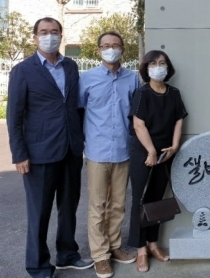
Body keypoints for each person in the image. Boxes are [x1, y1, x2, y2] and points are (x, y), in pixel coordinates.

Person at [7, 17, 93, 278]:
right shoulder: (23, 70)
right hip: (38, 153)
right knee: (39, 211)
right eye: (44, 32)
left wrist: (80, 140)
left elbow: (75, 107)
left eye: (54, 32)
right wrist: (19, 154)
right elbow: (14, 116)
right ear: (35, 37)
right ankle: (38, 265)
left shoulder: (70, 66)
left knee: (68, 207)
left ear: (61, 36)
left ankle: (67, 254)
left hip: (70, 150)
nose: (49, 36)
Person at [79, 31, 141, 278]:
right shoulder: (87, 79)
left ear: (123, 49)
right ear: (98, 50)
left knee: (118, 204)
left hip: (123, 150)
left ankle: (115, 247)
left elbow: (136, 115)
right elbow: (78, 111)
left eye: (115, 45)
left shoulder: (132, 79)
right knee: (98, 205)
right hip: (97, 151)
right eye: (106, 45)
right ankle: (100, 256)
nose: (110, 49)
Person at [127, 50, 187, 273]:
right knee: (140, 200)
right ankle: (141, 249)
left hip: (166, 152)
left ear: (168, 67)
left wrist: (174, 146)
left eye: (162, 63)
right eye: (153, 63)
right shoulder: (142, 94)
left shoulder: (174, 93)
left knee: (156, 199)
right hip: (144, 151)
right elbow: (138, 125)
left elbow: (179, 120)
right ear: (146, 68)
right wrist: (151, 151)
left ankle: (153, 244)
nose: (158, 67)